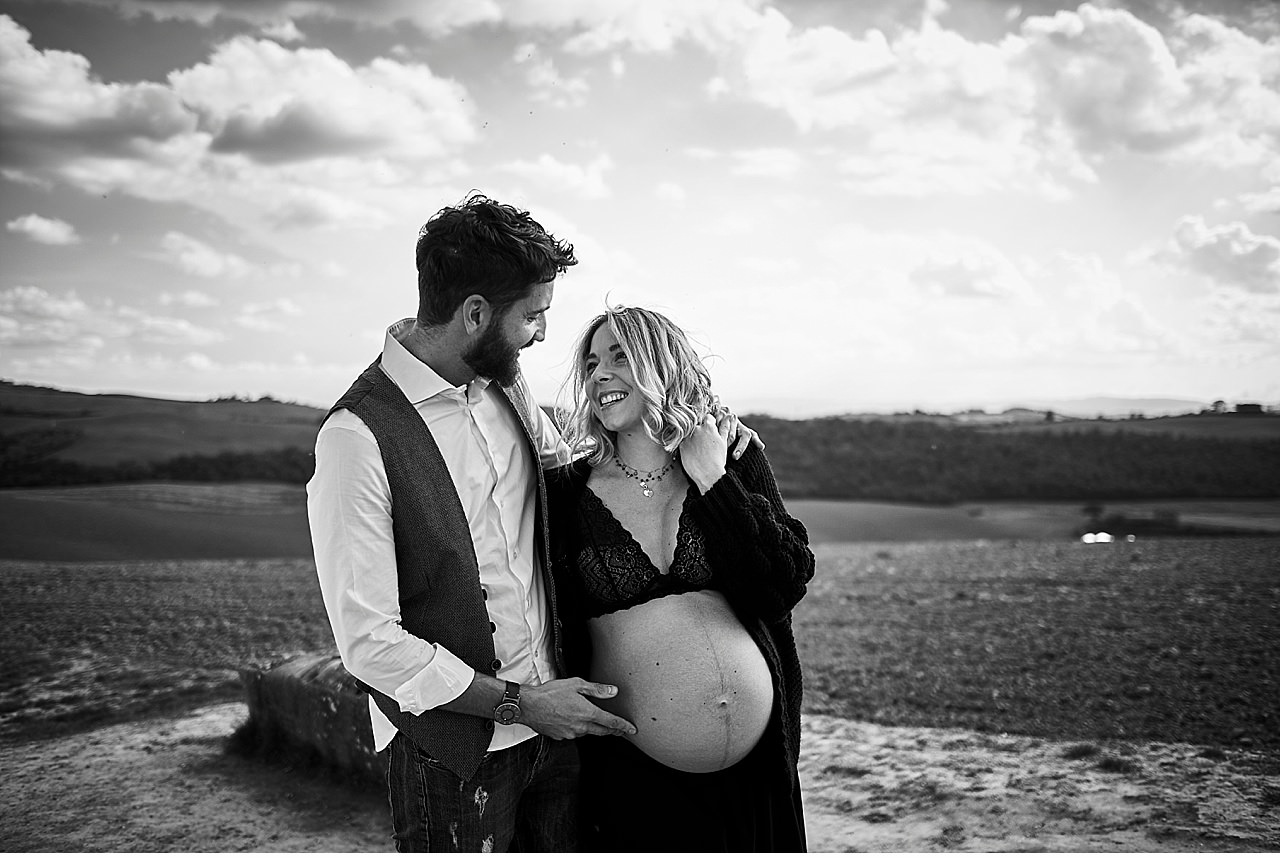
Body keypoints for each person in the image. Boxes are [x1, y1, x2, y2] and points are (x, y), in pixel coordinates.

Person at [307, 194, 759, 852]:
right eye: (534, 316)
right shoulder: (356, 437)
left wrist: (693, 433)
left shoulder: (503, 384)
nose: (543, 335)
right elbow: (370, 645)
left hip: (561, 733)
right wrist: (517, 702)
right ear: (475, 315)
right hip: (452, 756)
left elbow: (575, 476)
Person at [547, 306, 814, 852]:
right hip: (635, 776)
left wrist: (713, 477)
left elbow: (781, 587)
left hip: (756, 775)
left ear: (662, 366)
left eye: (621, 356)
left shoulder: (733, 461)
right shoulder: (566, 494)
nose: (600, 374)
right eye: (592, 363)